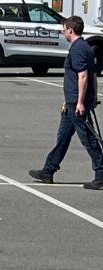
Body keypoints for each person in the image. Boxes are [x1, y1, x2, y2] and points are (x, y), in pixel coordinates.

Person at [30, 16, 103, 190]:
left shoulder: (78, 49)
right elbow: (92, 75)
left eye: (64, 29)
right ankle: (48, 170)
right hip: (71, 102)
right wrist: (90, 98)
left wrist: (81, 102)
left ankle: (101, 173)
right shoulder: (83, 47)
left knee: (89, 139)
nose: (63, 32)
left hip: (76, 103)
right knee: (62, 138)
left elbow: (83, 76)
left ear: (70, 30)